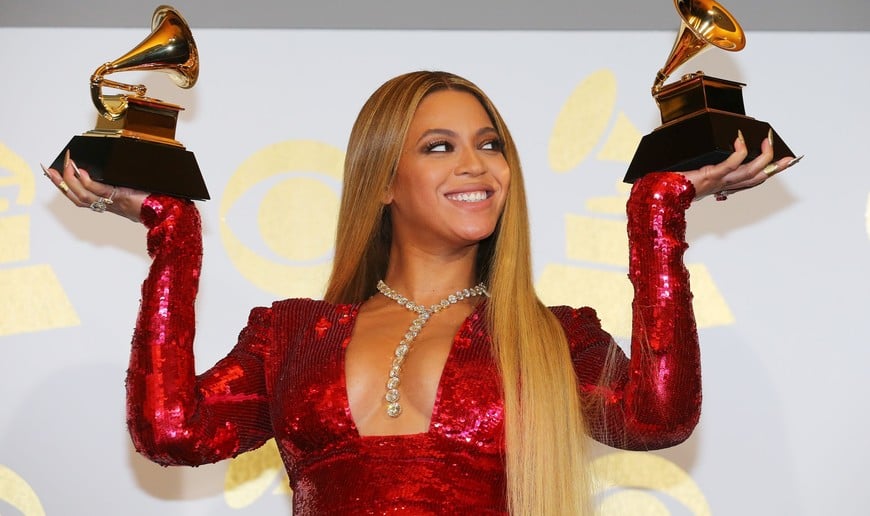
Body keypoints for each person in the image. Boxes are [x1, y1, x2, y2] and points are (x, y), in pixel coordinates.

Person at [44, 71, 796, 515]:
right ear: (381, 182)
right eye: (440, 146)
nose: (479, 167)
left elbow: (658, 420)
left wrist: (655, 214)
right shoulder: (291, 332)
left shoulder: (554, 336)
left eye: (491, 145)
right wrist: (173, 236)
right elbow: (171, 432)